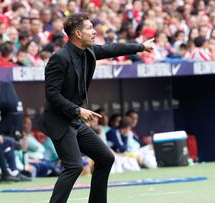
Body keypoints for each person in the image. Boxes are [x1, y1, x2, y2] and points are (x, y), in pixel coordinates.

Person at [39, 13, 153, 203]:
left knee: (106, 158)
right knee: (74, 166)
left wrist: (141, 47)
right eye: (89, 28)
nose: (94, 32)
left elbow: (112, 49)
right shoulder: (59, 58)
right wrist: (77, 110)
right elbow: (52, 95)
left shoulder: (89, 51)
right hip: (59, 121)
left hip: (75, 120)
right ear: (77, 33)